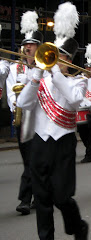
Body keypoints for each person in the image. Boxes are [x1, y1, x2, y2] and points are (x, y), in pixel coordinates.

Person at [16, 2, 88, 239]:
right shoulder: (41, 80)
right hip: (40, 143)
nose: (56, 61)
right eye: (54, 57)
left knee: (61, 197)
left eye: (61, 58)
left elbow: (74, 101)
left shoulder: (77, 81)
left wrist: (56, 72)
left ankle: (78, 227)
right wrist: (36, 75)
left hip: (63, 144)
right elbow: (24, 104)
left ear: (69, 60)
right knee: (43, 198)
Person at [6, 11, 44, 215]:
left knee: (36, 160)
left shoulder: (45, 68)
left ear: (39, 47)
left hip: (42, 119)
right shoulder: (15, 68)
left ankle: (27, 198)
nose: (27, 47)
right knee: (29, 160)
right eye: (26, 44)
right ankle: (33, 196)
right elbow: (12, 93)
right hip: (24, 118)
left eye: (32, 44)